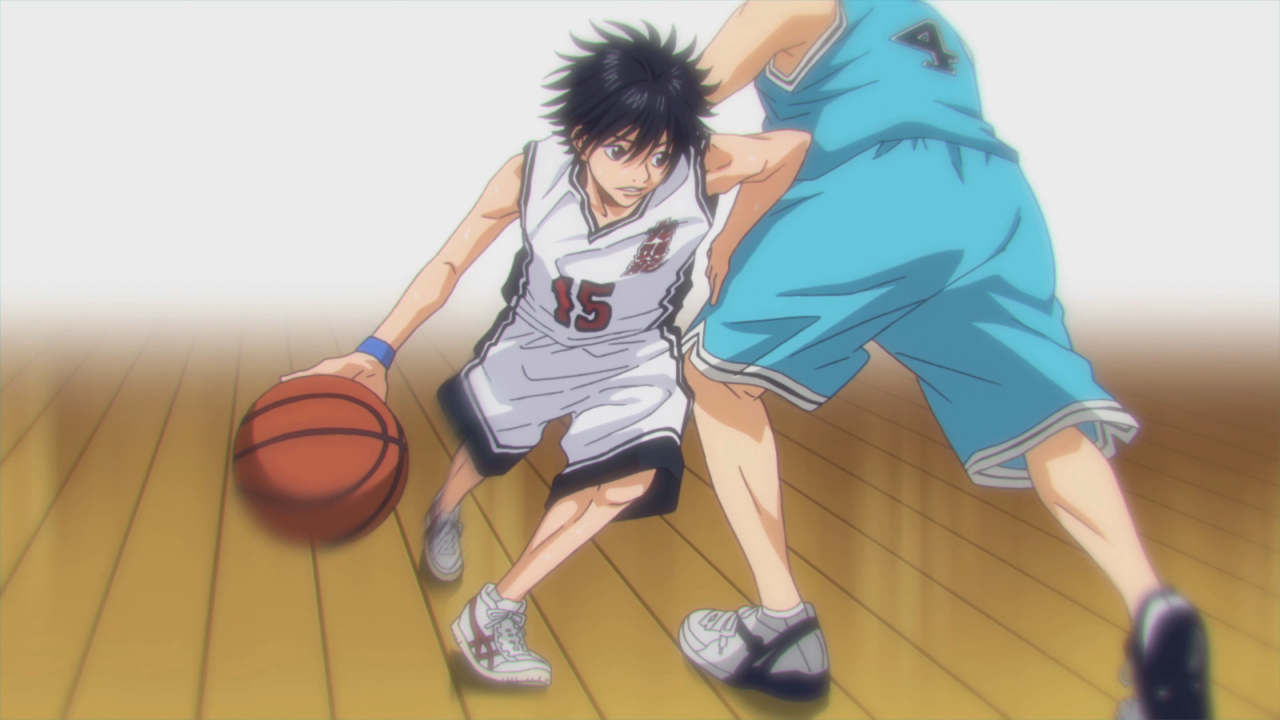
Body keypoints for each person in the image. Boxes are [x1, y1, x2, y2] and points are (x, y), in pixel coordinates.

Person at [672, 2, 1211, 718]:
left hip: (881, 187)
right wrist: (733, 235)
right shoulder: (924, 20)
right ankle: (1154, 609)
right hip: (994, 204)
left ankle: (782, 628)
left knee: (714, 375)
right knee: (1044, 414)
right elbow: (798, 138)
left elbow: (657, 112)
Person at [284, 22, 810, 687]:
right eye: (621, 151)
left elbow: (790, 148)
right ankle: (444, 511)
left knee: (626, 481)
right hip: (536, 341)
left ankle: (497, 610)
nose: (642, 175)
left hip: (635, 355)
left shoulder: (699, 165)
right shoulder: (530, 173)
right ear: (583, 137)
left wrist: (730, 238)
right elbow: (448, 263)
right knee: (488, 450)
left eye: (658, 157)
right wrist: (377, 351)